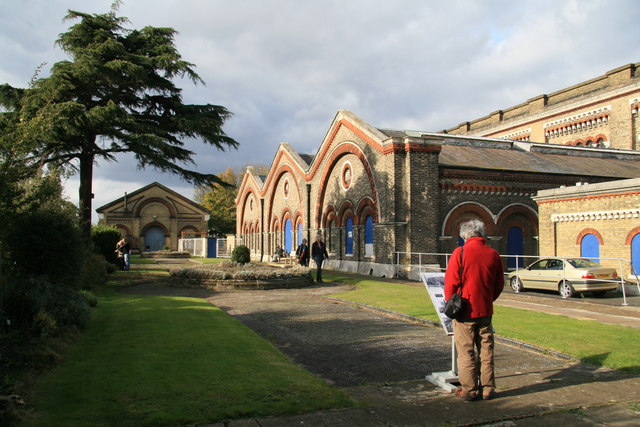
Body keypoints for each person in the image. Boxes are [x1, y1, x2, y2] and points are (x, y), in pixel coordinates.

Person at [444, 219, 504, 401]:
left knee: (466, 351)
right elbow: (499, 284)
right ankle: (488, 388)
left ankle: (470, 390)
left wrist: (452, 304)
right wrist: (487, 299)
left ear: (465, 235)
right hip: (485, 310)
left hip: (464, 313)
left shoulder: (459, 252)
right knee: (486, 350)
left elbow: (450, 284)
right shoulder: (493, 254)